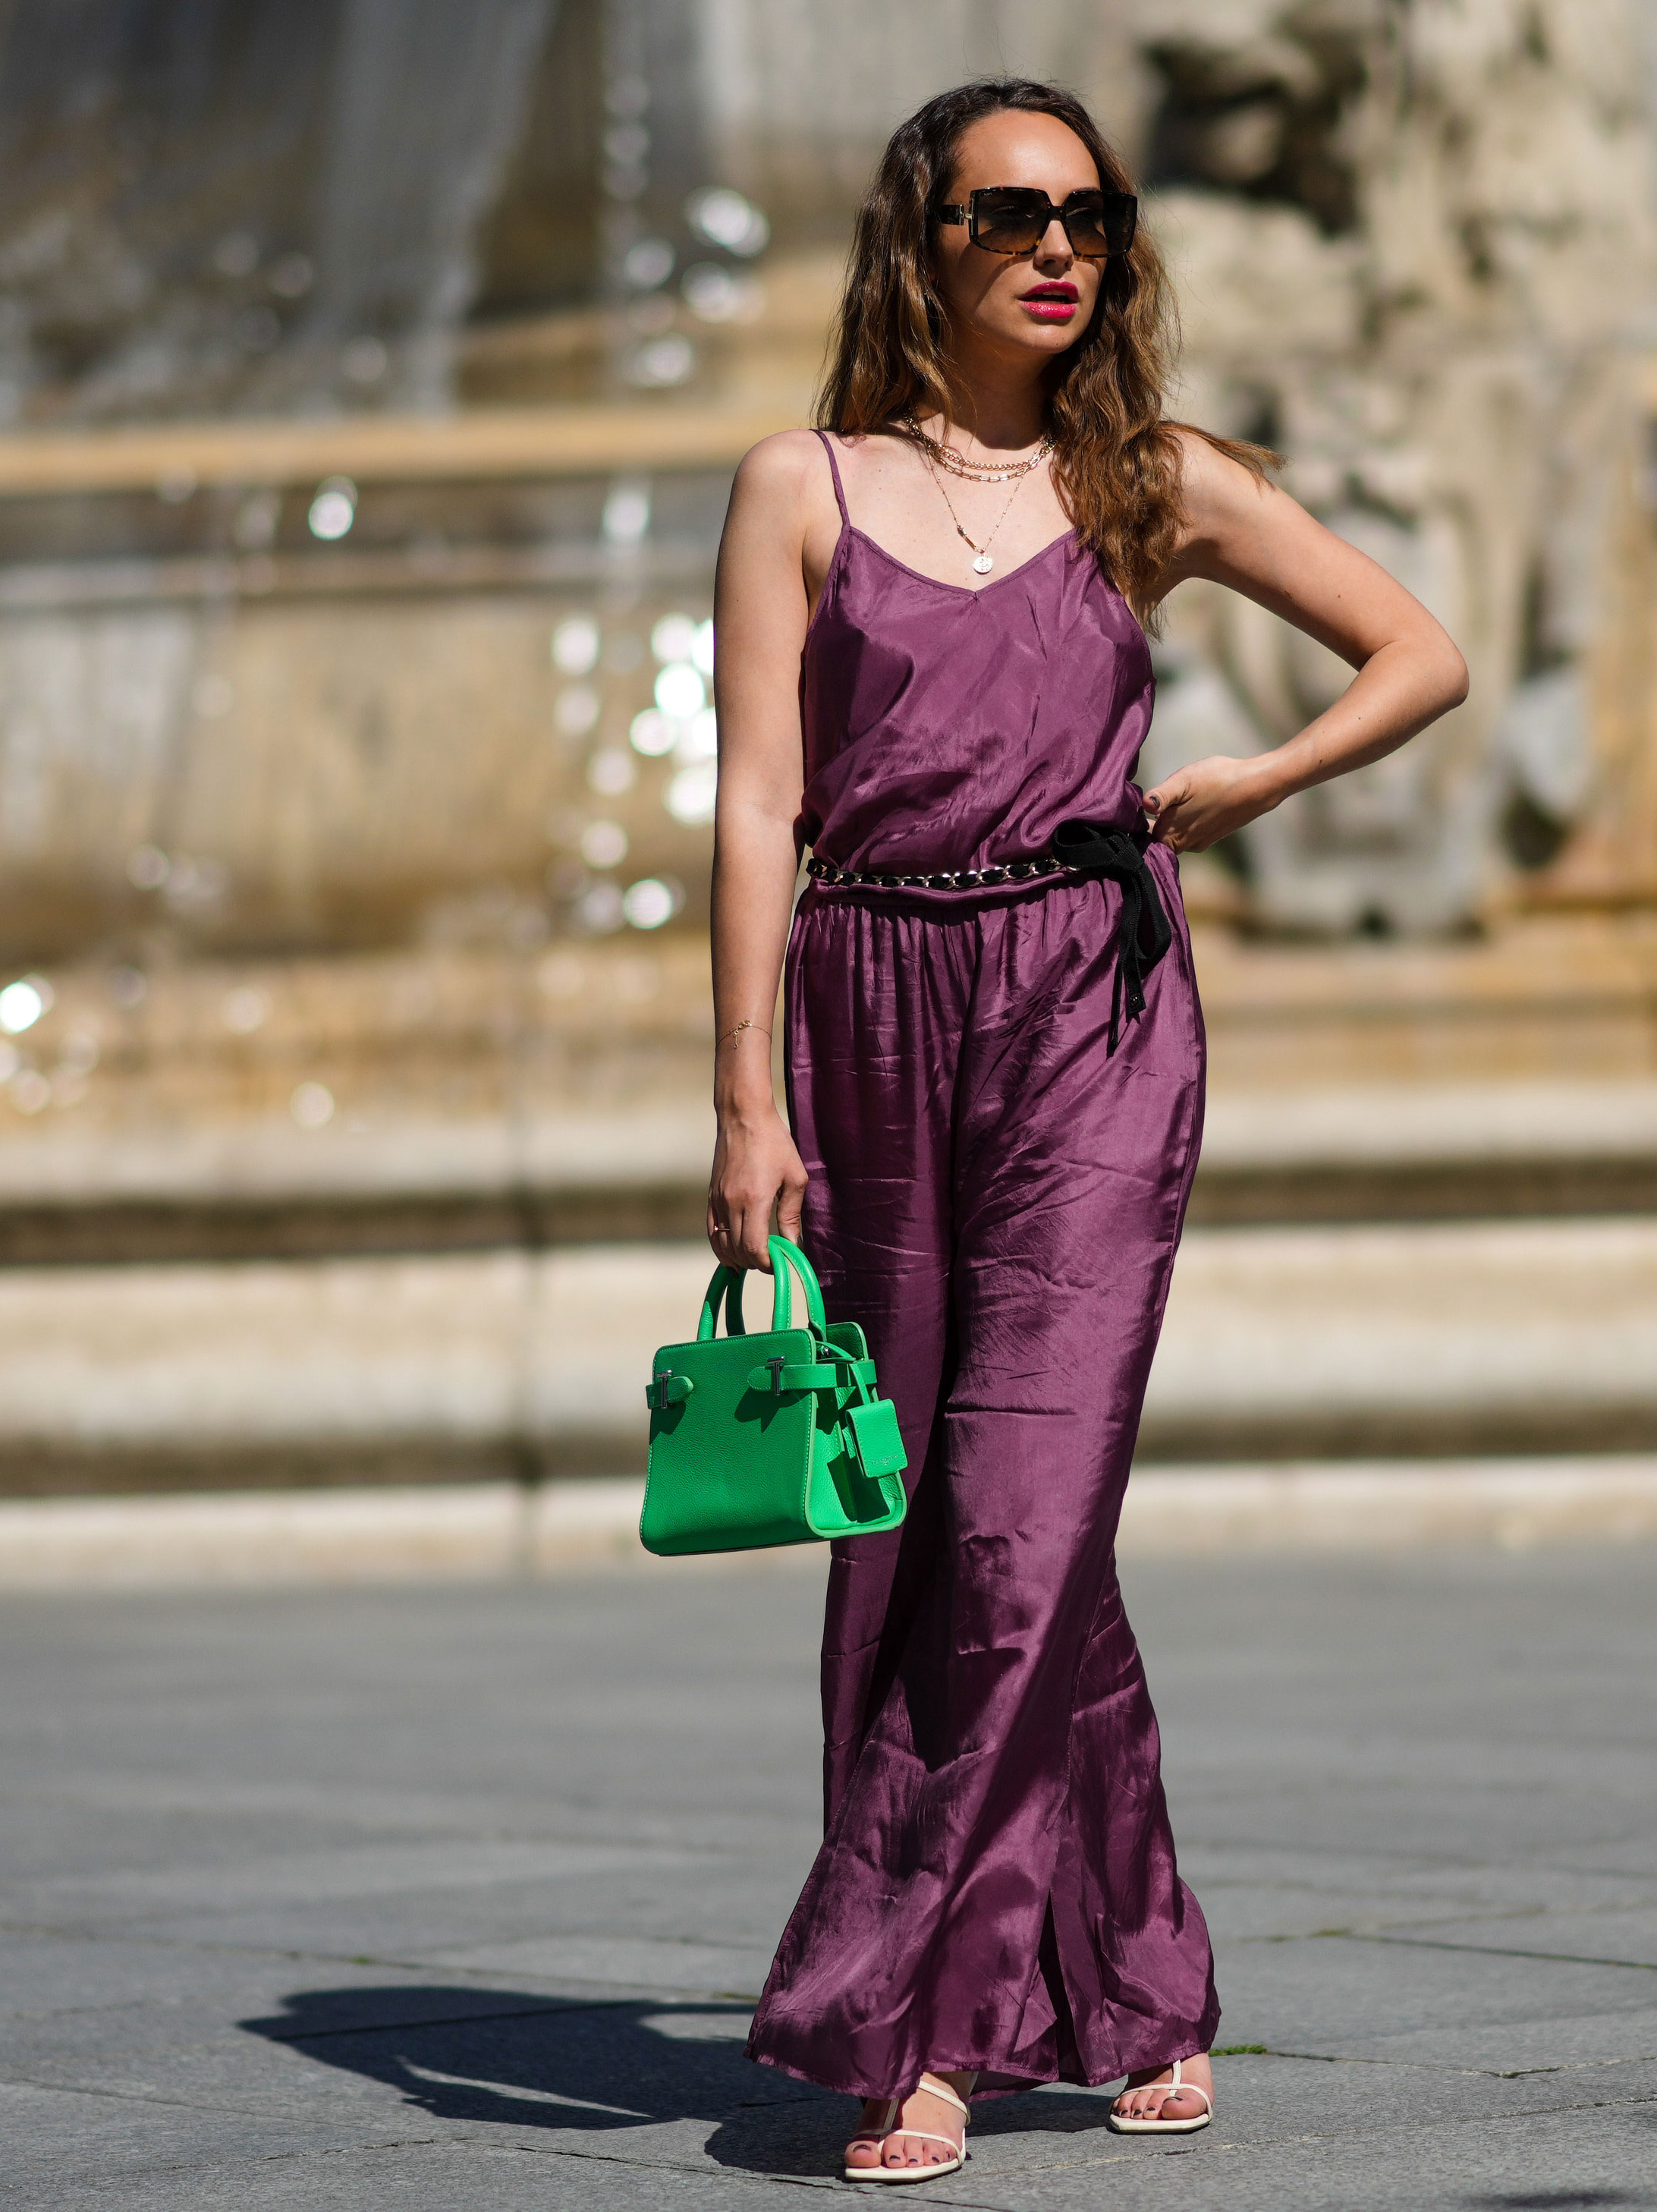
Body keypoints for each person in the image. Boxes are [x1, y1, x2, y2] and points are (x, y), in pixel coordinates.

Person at [702, 77, 1467, 2185]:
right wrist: (743, 1094)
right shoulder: (801, 487)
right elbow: (758, 799)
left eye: (1092, 216)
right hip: (869, 1011)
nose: (1060, 246)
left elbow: (1425, 652)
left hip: (1091, 1014)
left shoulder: (1158, 486)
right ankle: (1137, 1976)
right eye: (1010, 211)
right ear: (920, 241)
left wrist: (1254, 780)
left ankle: (924, 2020)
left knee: (1025, 1513)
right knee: (937, 1514)